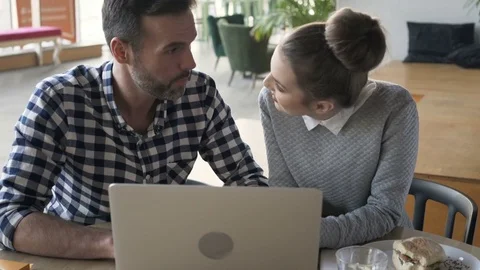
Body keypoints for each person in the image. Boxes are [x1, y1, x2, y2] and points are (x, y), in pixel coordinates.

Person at [0, 0, 267, 259]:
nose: (190, 62)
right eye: (173, 49)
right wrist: (114, 244)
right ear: (121, 52)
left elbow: (247, 179)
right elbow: (9, 214)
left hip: (168, 251)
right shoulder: (60, 100)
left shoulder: (199, 93)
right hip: (77, 258)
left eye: (189, 44)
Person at [259, 7, 419, 249]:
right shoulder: (271, 103)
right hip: (307, 243)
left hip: (380, 249)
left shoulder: (395, 108)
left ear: (322, 106)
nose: (266, 84)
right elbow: (285, 192)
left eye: (279, 86)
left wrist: (310, 233)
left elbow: (385, 211)